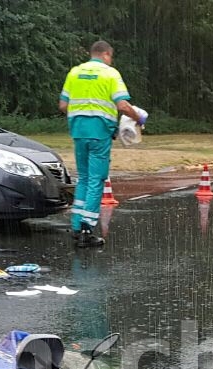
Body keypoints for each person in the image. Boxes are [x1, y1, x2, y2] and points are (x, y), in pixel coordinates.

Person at [58, 40, 144, 247]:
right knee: (97, 180)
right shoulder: (110, 74)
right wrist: (138, 118)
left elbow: (63, 105)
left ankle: (77, 226)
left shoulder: (75, 72)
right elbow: (122, 104)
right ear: (106, 54)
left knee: (84, 179)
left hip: (78, 132)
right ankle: (87, 229)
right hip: (100, 133)